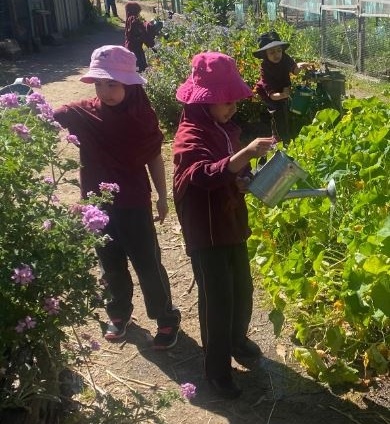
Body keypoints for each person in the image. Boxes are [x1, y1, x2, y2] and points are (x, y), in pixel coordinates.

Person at [53, 45, 181, 348]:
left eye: (112, 83)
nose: (104, 91)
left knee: (148, 263)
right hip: (97, 206)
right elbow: (48, 114)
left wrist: (162, 197)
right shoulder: (85, 112)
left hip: (134, 203)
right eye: (99, 83)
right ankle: (119, 313)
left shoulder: (142, 117)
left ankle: (165, 317)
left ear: (130, 85)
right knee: (109, 263)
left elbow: (152, 157)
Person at [172, 51, 275, 399]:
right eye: (224, 100)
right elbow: (199, 175)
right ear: (204, 101)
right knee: (216, 299)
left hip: (230, 221)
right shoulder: (190, 134)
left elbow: (232, 169)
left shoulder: (227, 128)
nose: (231, 107)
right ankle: (217, 370)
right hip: (206, 230)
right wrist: (243, 156)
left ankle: (237, 340)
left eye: (233, 100)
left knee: (241, 288)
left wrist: (246, 176)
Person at [253, 30, 312, 144]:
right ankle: (278, 139)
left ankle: (289, 134)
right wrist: (283, 95)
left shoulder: (284, 57)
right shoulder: (265, 67)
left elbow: (294, 70)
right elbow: (272, 95)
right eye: (272, 52)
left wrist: (300, 66)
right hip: (271, 93)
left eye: (278, 50)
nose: (277, 55)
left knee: (287, 109)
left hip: (283, 86)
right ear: (265, 54)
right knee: (277, 113)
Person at [123, 2, 162, 72]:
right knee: (139, 70)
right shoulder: (134, 20)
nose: (139, 14)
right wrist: (155, 48)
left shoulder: (129, 19)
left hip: (129, 49)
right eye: (138, 12)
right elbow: (143, 36)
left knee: (131, 70)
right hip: (136, 52)